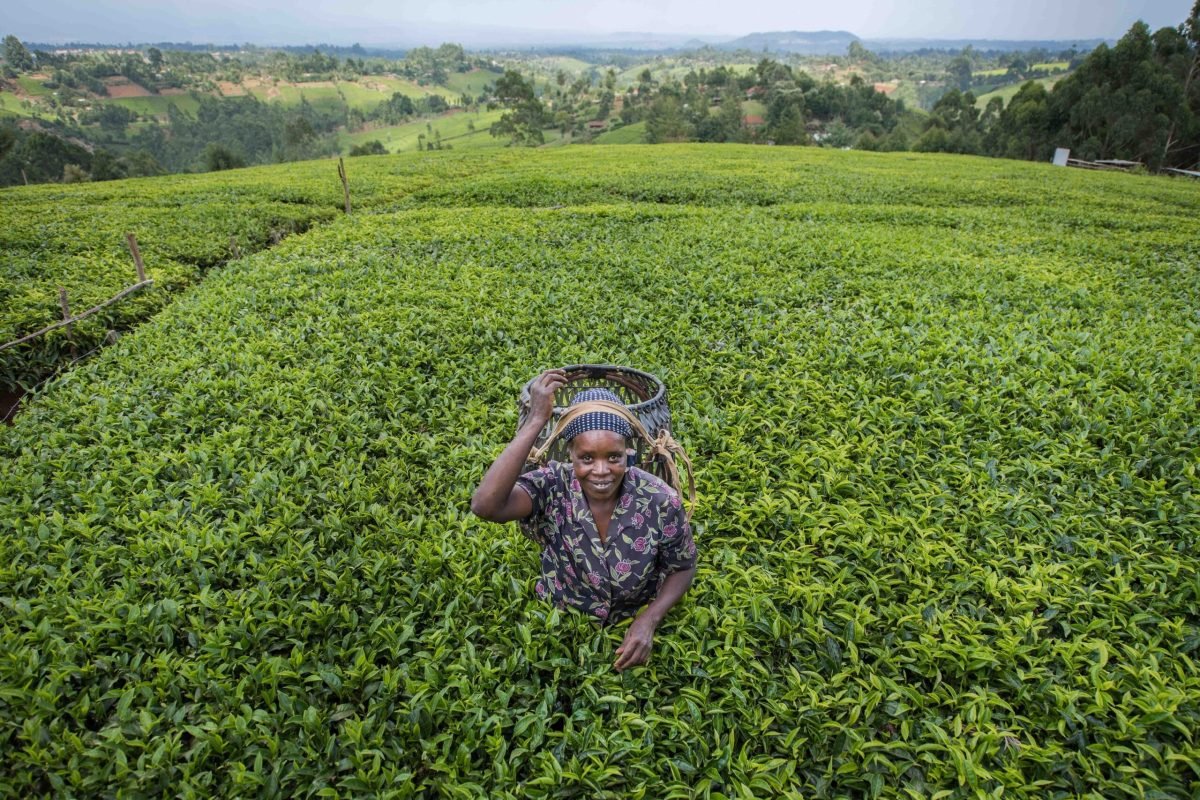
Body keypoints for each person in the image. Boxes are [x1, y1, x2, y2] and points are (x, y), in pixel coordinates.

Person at [471, 368, 697, 671]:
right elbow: (486, 506)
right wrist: (536, 420)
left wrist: (649, 619)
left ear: (627, 454)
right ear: (570, 455)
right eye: (587, 458)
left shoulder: (659, 499)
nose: (601, 471)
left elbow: (682, 566)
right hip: (562, 618)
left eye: (613, 457)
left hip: (634, 611)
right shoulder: (552, 484)